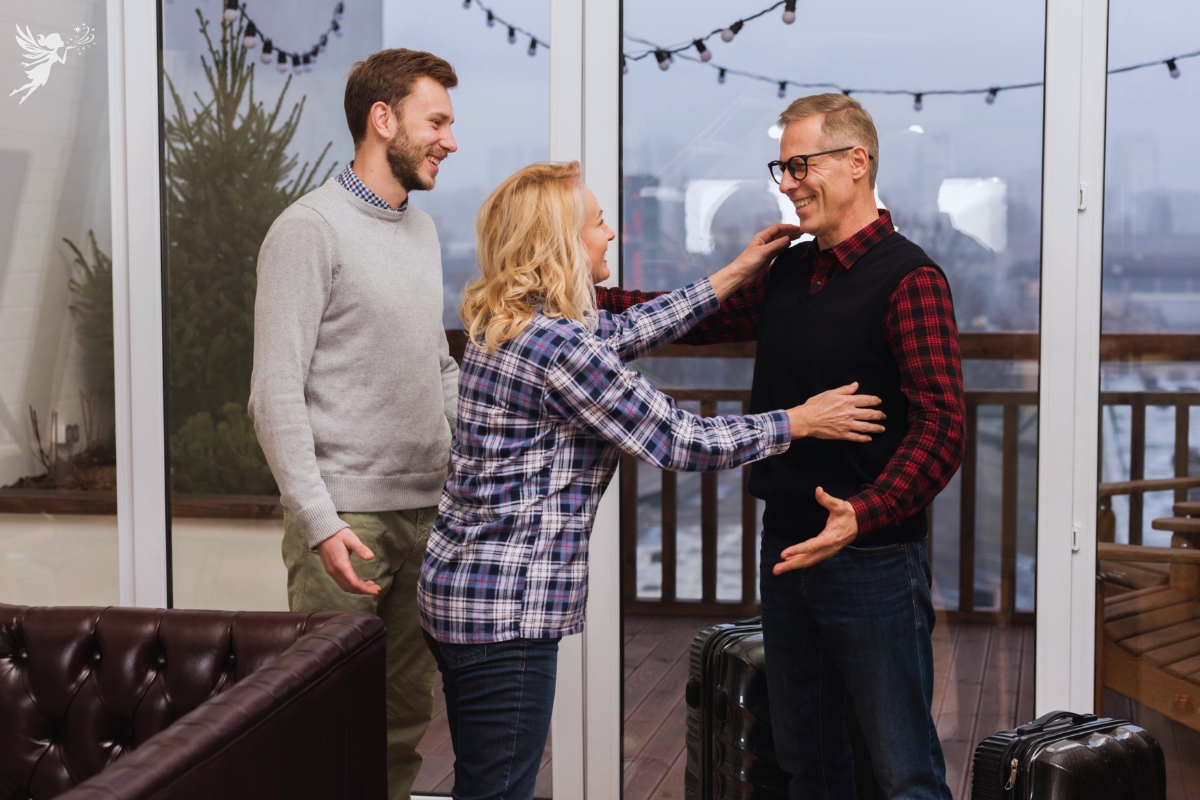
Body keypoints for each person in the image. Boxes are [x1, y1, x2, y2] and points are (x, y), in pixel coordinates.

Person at [417, 161, 889, 800]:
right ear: (561, 240)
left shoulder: (513, 323)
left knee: (485, 778)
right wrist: (799, 421)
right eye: (597, 222)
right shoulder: (557, 347)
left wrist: (735, 272)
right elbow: (677, 440)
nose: (609, 234)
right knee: (498, 789)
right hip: (506, 607)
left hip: (462, 588)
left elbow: (631, 328)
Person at [599, 93, 965, 799]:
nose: (788, 182)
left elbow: (942, 427)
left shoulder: (911, 279)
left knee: (903, 772)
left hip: (873, 558)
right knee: (808, 762)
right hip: (787, 547)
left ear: (857, 163)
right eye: (782, 166)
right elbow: (683, 316)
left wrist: (864, 512)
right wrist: (570, 299)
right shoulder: (791, 271)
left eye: (801, 165)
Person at [248, 49, 461, 800]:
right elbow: (273, 394)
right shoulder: (308, 230)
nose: (450, 140)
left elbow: (436, 367)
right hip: (348, 524)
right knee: (329, 726)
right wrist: (318, 520)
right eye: (436, 121)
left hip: (426, 513)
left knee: (403, 723)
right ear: (383, 119)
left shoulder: (423, 233)